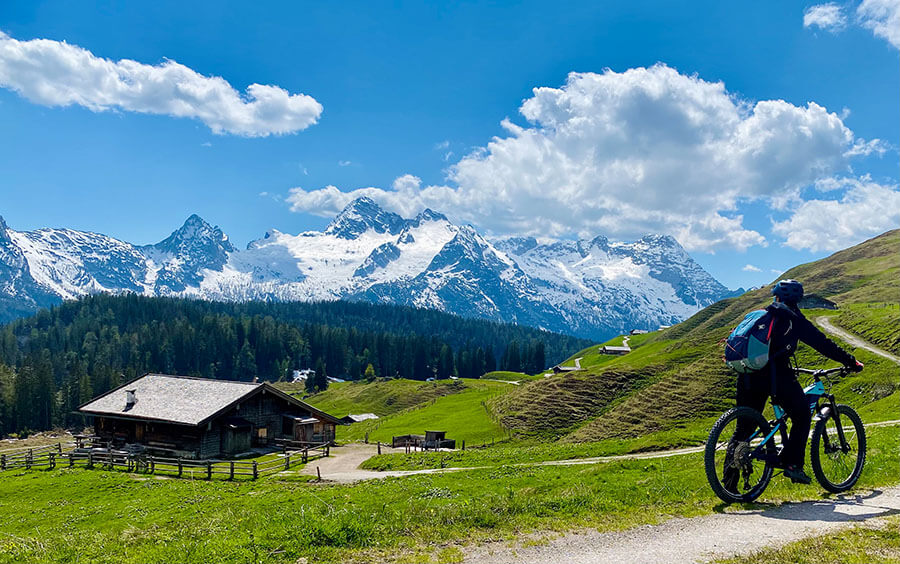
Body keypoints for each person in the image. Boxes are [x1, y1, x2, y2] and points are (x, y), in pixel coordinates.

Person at [731, 279, 863, 485]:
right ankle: (793, 465)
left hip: (748, 374)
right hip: (777, 375)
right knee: (801, 415)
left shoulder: (761, 316)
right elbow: (823, 344)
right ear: (798, 299)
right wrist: (851, 361)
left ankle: (728, 487)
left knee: (743, 429)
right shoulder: (794, 319)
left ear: (775, 296)